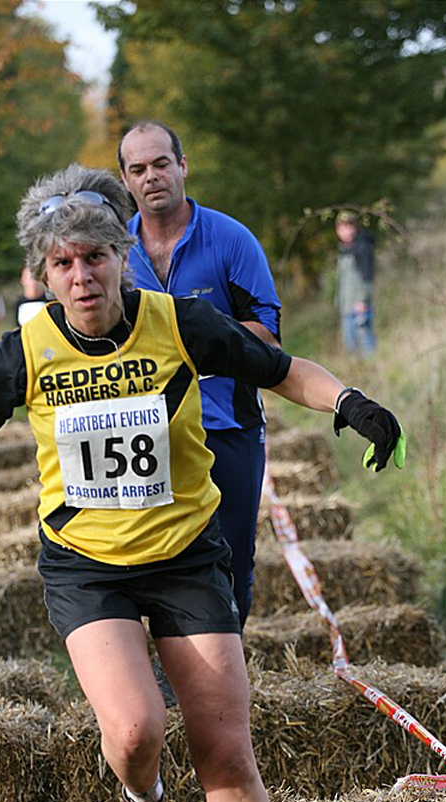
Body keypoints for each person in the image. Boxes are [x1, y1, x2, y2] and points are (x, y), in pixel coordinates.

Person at [0, 164, 405, 802]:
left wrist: (350, 402)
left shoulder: (180, 322)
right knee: (135, 730)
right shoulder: (26, 351)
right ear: (44, 274)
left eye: (95, 257)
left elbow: (281, 369)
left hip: (186, 556)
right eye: (63, 263)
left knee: (225, 749)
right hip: (87, 566)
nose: (82, 276)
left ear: (121, 257)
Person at [118, 121, 282, 629]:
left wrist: (199, 344)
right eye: (138, 169)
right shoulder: (113, 252)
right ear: (125, 180)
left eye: (161, 164)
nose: (151, 177)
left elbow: (269, 334)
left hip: (227, 426)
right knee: (156, 563)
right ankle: (168, 666)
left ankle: (226, 663)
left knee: (232, 559)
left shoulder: (231, 239)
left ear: (183, 166)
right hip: (146, 432)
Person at [334, 210, 377, 353]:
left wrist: (363, 301)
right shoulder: (343, 250)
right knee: (351, 346)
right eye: (341, 228)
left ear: (355, 227)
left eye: (349, 226)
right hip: (346, 306)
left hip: (359, 306)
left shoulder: (363, 247)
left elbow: (368, 276)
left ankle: (373, 366)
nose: (345, 231)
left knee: (366, 343)